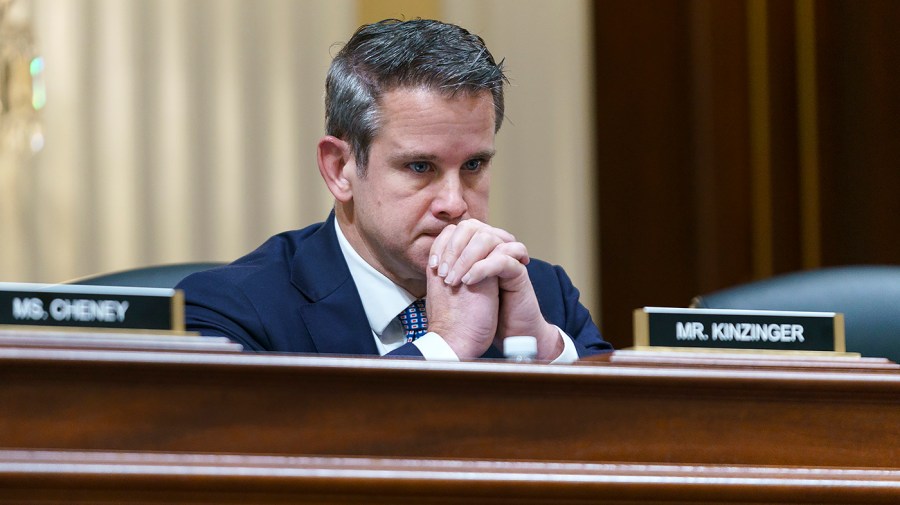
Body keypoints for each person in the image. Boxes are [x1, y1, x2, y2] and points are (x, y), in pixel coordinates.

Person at [177, 19, 612, 362]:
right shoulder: (233, 311)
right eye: (420, 166)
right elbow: (279, 460)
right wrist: (443, 348)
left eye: (474, 165)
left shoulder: (541, 293)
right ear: (340, 168)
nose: (455, 204)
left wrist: (545, 349)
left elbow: (629, 450)